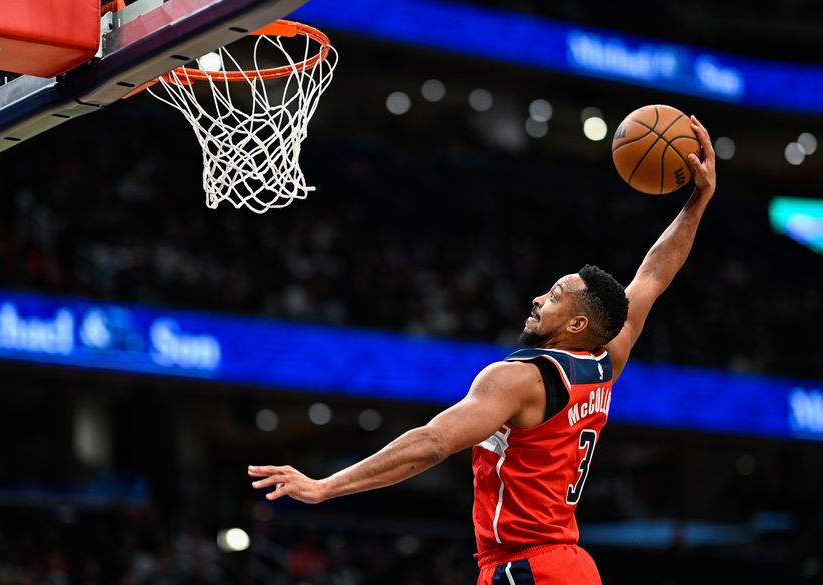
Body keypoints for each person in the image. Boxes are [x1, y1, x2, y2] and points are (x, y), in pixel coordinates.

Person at [248, 116, 717, 584]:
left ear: (576, 324)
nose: (538, 298)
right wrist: (699, 199)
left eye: (553, 296)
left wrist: (326, 486)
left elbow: (432, 444)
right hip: (569, 566)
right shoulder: (605, 358)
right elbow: (652, 276)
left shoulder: (520, 379)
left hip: (526, 567)